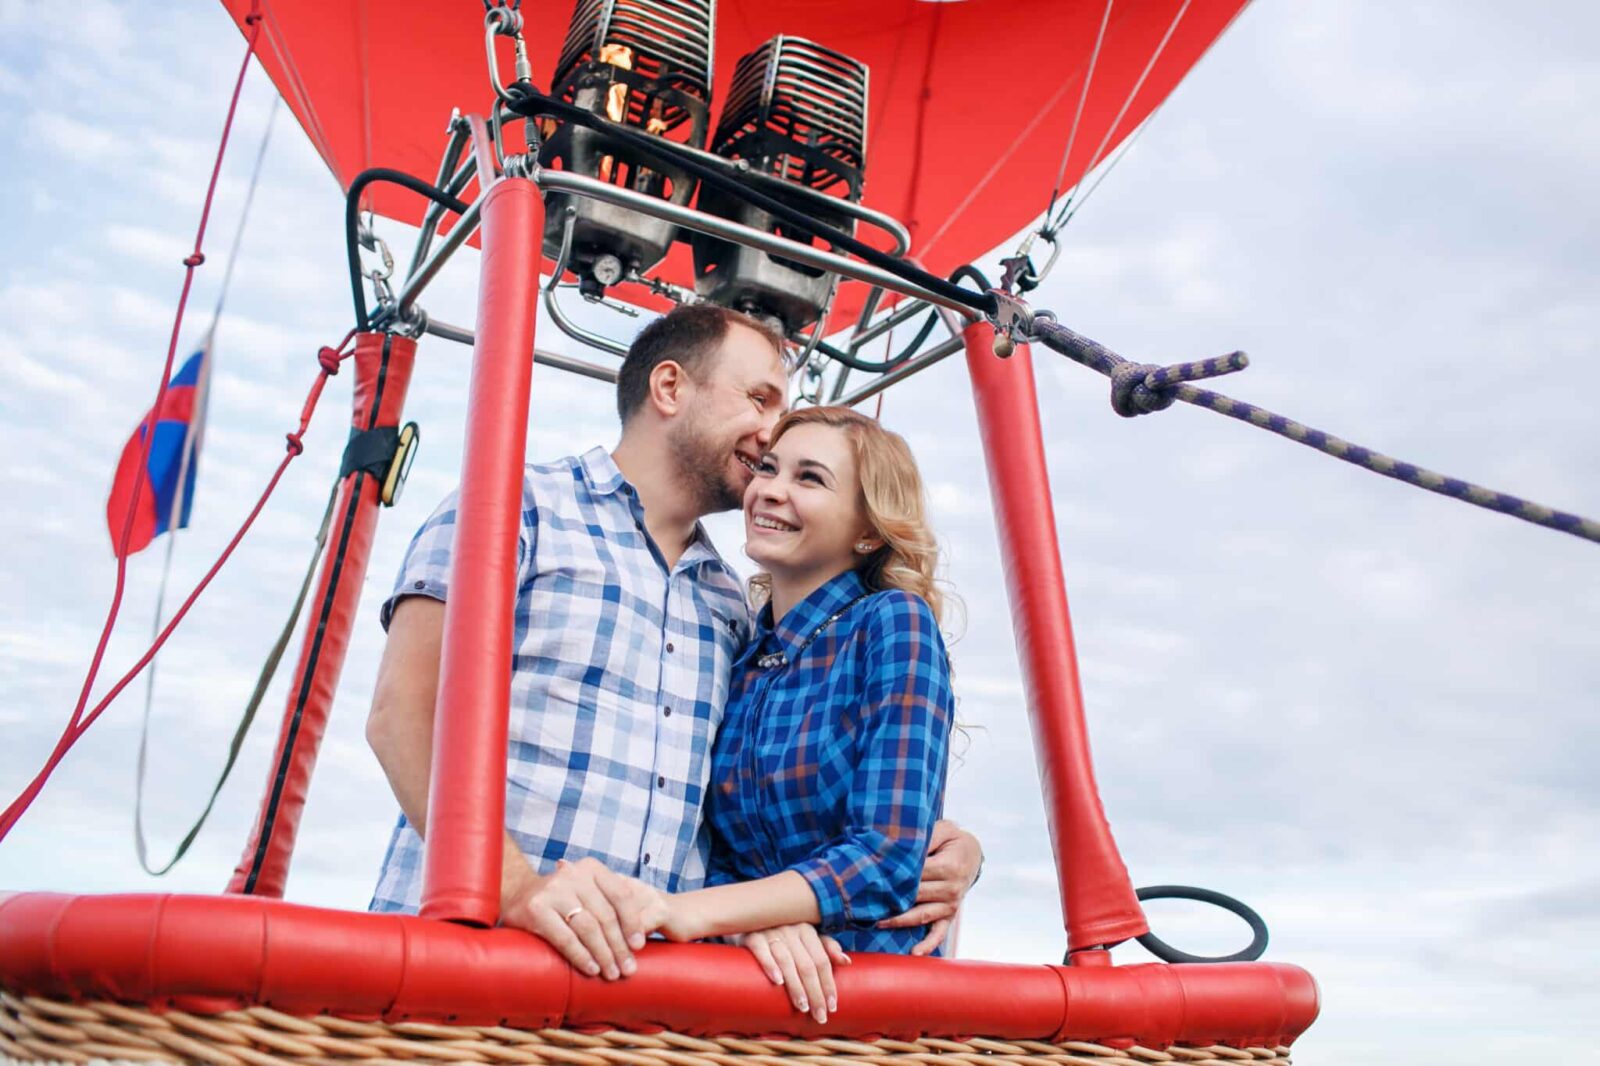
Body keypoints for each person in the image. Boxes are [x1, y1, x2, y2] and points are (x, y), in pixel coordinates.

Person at [366, 305, 980, 981]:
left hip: (642, 988)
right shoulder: (517, 508)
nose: (770, 428)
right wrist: (517, 889)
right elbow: (402, 716)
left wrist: (952, 851)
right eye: (759, 398)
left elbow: (743, 821)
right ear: (669, 389)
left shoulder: (731, 607)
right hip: (474, 950)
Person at [649, 405, 957, 1025]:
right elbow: (715, 850)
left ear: (867, 532)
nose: (771, 490)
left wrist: (698, 913)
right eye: (768, 468)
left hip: (859, 1001)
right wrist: (751, 924)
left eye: (809, 478)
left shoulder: (893, 623)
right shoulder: (741, 651)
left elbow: (886, 855)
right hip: (745, 993)